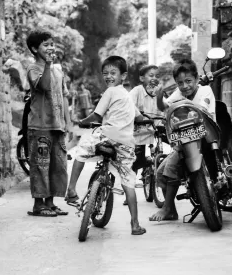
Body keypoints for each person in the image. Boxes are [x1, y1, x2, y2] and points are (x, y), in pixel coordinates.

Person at [65, 56, 146, 235]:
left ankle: (71, 189)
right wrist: (149, 120)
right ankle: (135, 225)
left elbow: (96, 117)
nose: (108, 76)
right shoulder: (127, 96)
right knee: (128, 183)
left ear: (122, 76)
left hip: (108, 135)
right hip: (126, 144)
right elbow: (139, 117)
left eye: (112, 73)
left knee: (81, 151)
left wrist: (80, 122)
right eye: (105, 73)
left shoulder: (110, 92)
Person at [149, 58, 216, 221]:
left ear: (196, 78)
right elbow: (165, 107)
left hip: (206, 137)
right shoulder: (178, 94)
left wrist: (183, 102)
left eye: (188, 81)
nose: (185, 86)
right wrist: (159, 97)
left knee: (170, 168)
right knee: (159, 174)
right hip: (185, 140)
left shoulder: (205, 90)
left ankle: (165, 209)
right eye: (180, 83)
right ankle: (171, 211)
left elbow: (202, 108)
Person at [25, 30, 71, 217]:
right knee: (40, 165)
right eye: (46, 45)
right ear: (35, 49)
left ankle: (50, 203)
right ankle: (38, 204)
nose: (51, 47)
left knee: (57, 165)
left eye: (52, 44)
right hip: (40, 126)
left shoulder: (58, 70)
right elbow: (43, 86)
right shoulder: (33, 68)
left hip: (57, 125)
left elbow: (65, 96)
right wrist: (48, 65)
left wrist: (68, 122)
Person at [123, 64, 163, 205]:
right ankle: (129, 192)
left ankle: (156, 167)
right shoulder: (137, 91)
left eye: (157, 76)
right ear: (142, 78)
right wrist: (139, 116)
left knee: (163, 151)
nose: (154, 79)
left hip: (154, 130)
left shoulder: (159, 91)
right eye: (151, 75)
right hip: (138, 131)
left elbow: (164, 107)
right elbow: (128, 104)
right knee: (135, 161)